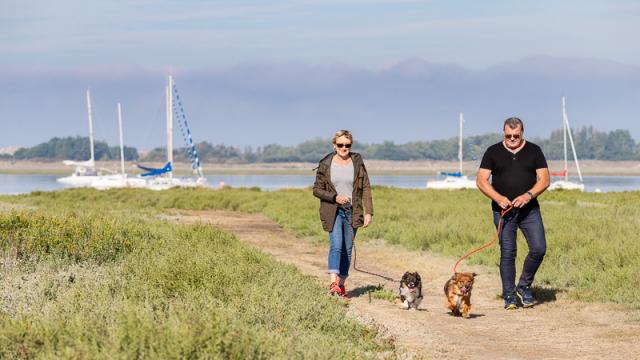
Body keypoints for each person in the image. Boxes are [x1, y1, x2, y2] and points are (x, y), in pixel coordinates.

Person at [476, 117, 550, 310]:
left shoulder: (534, 151)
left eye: (516, 136)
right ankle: (509, 295)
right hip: (503, 211)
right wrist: (498, 198)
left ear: (522, 133)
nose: (512, 139)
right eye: (508, 136)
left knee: (539, 248)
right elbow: (482, 181)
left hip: (529, 210)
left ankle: (523, 286)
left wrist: (528, 195)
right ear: (503, 132)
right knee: (508, 252)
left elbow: (544, 180)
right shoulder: (493, 151)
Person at [313, 130, 373, 298]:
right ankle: (333, 283)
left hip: (353, 211)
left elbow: (366, 187)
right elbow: (316, 190)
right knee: (336, 245)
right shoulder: (325, 163)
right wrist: (334, 197)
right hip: (333, 211)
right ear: (334, 145)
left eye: (347, 145)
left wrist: (369, 212)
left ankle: (341, 286)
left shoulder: (357, 162)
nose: (344, 148)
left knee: (347, 249)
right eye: (340, 145)